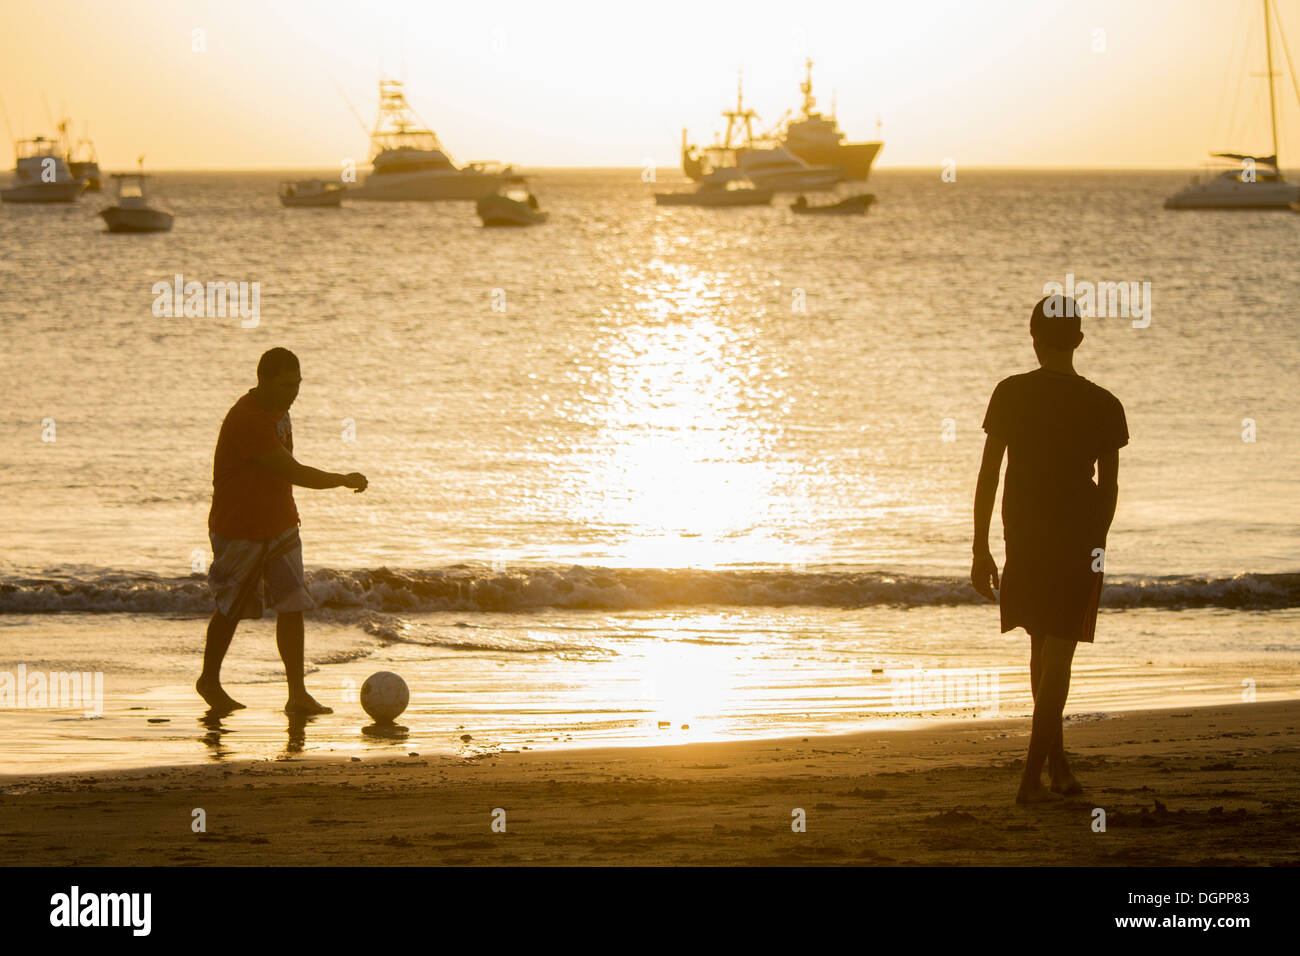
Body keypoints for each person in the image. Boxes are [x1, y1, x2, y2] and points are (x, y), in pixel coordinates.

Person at [971, 295, 1128, 803]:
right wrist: (1096, 545)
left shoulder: (1010, 393)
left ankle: (1050, 769)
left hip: (1024, 539)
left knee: (1043, 650)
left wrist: (980, 546)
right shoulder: (1104, 404)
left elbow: (989, 474)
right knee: (1053, 657)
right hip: (1077, 541)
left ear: (1034, 338)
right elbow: (1109, 489)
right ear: (1078, 340)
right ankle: (1033, 777)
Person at [196, 347, 367, 715]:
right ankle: (209, 680)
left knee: (292, 605)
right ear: (264, 380)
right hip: (238, 528)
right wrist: (341, 479)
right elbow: (293, 471)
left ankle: (297, 695)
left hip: (281, 522)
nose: (294, 393)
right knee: (232, 607)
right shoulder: (248, 420)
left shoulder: (280, 408)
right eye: (287, 385)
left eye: (298, 385)